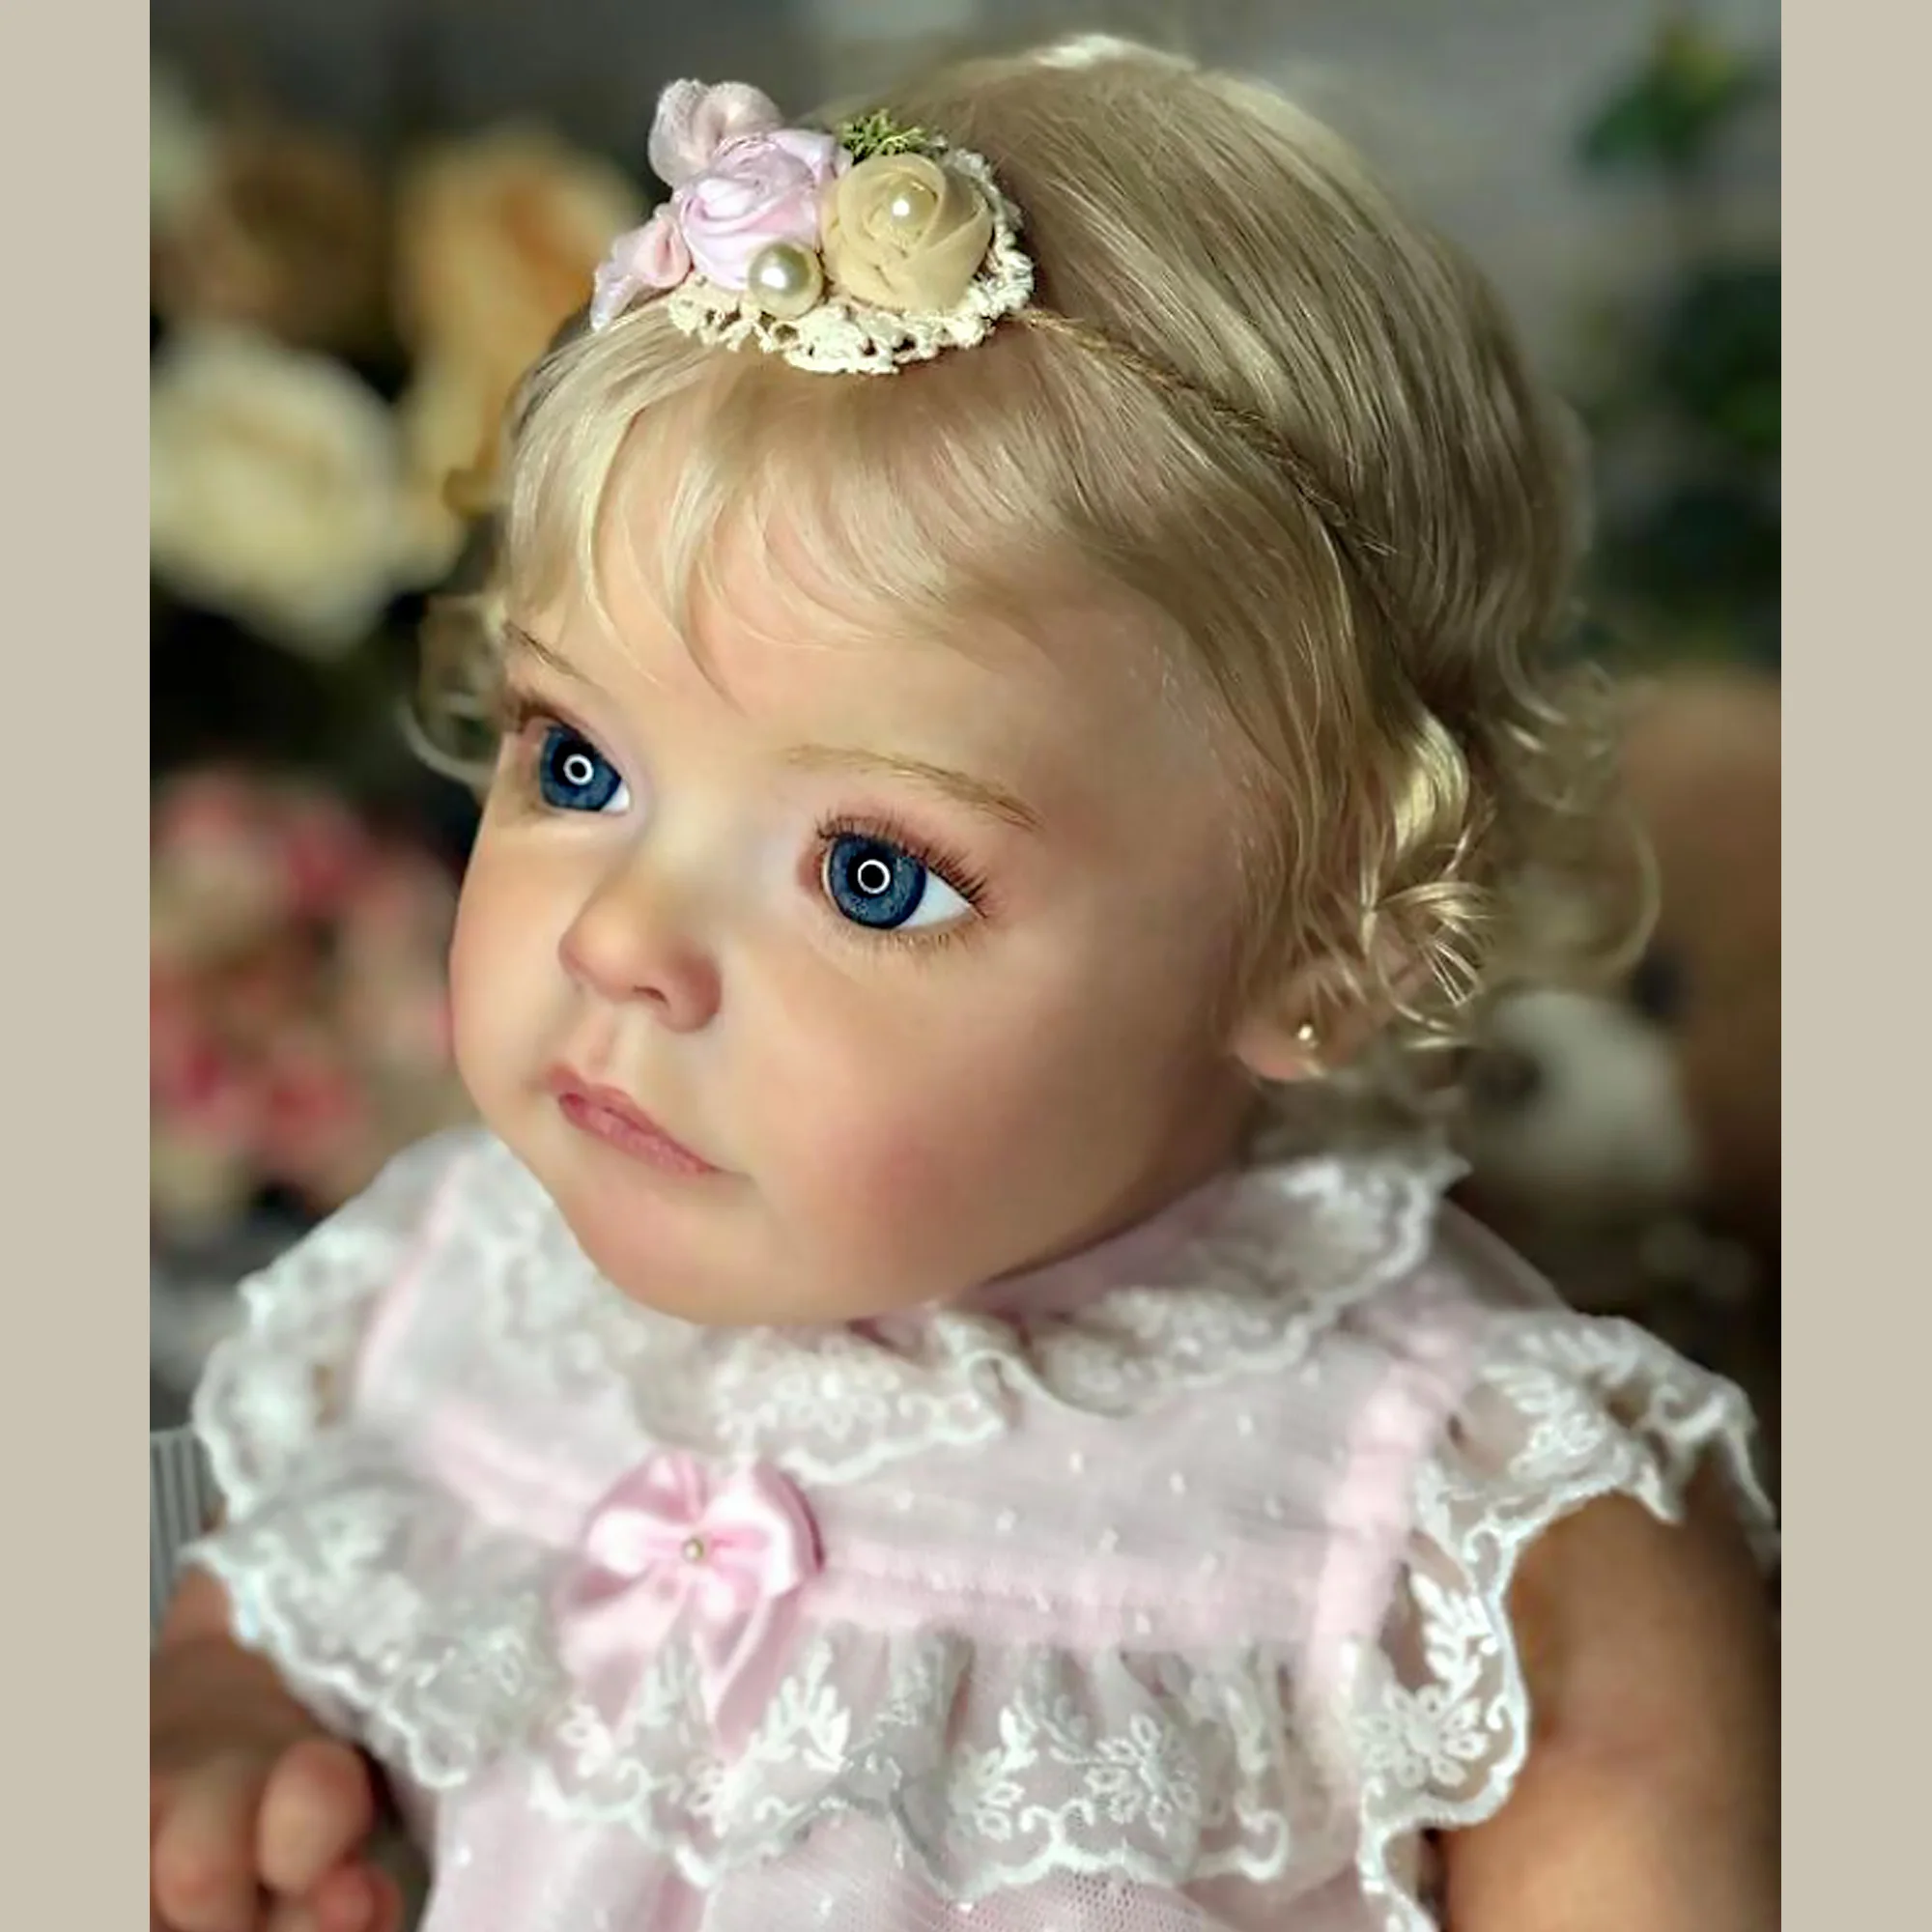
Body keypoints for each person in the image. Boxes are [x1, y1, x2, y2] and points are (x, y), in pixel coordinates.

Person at [149, 38, 1778, 1932]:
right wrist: (221, 1725)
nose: (615, 941)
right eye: (574, 761)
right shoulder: (449, 1287)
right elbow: (283, 1599)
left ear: (1317, 948)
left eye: (872, 872)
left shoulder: (1467, 1532)